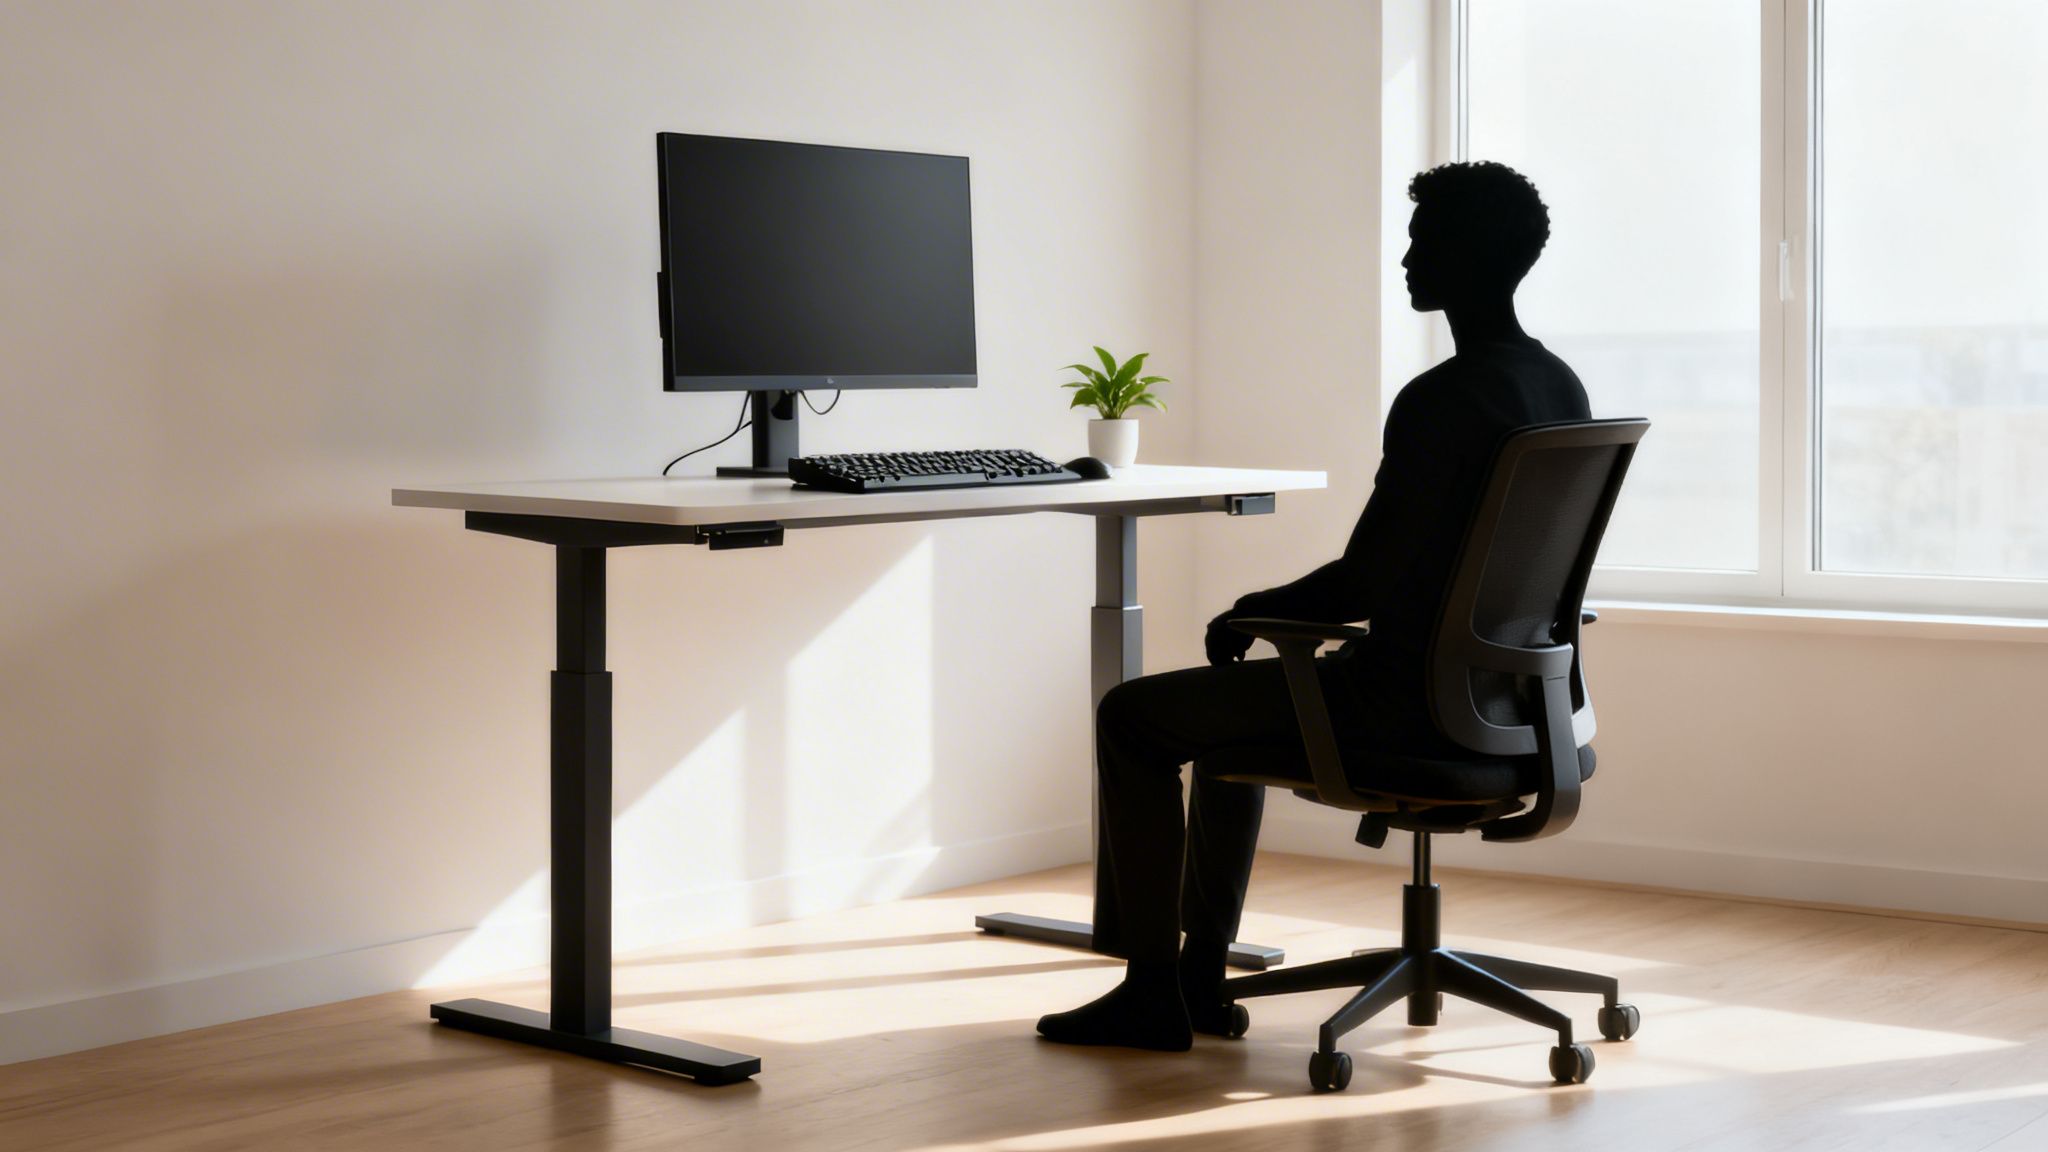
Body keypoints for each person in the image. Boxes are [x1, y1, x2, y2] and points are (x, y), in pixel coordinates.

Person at [1036, 161, 1593, 1051]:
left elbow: (1363, 583)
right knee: (1224, 728)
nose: (1407, 256)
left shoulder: (1441, 400)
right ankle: (1194, 980)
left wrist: (1252, 607)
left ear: (1466, 255)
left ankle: (1154, 992)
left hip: (1407, 711)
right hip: (1519, 708)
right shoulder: (1559, 386)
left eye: (1424, 239)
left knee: (1133, 715)